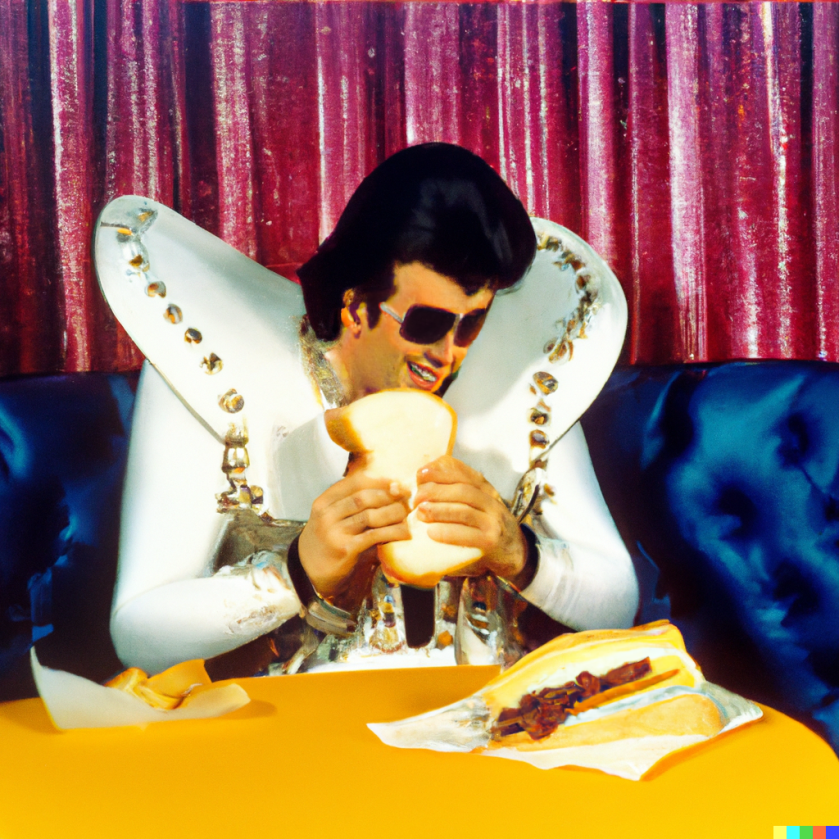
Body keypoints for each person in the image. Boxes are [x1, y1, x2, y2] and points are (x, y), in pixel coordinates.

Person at [96, 143, 638, 676]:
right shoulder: (215, 372)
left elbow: (618, 602)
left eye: (471, 324)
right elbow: (138, 634)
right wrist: (295, 573)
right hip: (291, 724)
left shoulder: (516, 379)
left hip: (485, 716)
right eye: (426, 323)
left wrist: (519, 554)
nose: (448, 355)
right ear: (355, 306)